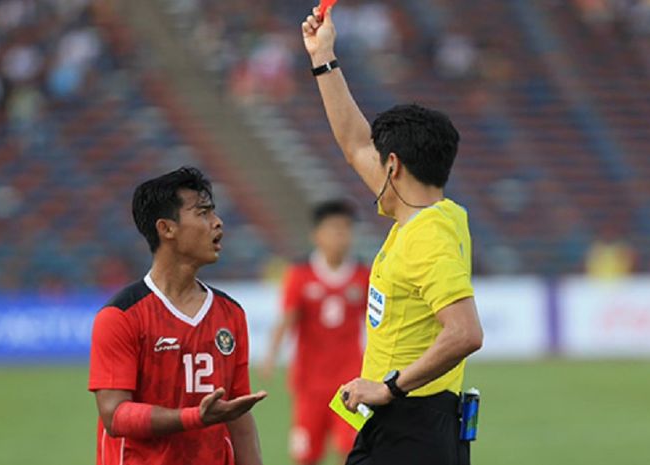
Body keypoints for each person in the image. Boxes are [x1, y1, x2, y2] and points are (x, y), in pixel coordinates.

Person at [301, 7, 484, 465]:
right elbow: (355, 143)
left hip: (411, 425)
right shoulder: (438, 215)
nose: (369, 163)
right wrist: (324, 57)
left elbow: (465, 332)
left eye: (380, 160)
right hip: (408, 423)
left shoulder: (426, 237)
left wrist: (388, 387)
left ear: (395, 166)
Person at [88, 167, 267, 465]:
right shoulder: (120, 316)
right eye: (203, 213)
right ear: (166, 228)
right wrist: (195, 417)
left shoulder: (231, 314)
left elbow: (239, 415)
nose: (217, 222)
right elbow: (115, 415)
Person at [261, 199, 370, 465]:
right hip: (309, 384)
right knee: (306, 455)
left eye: (346, 229)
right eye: (334, 229)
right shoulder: (300, 275)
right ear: (317, 235)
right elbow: (286, 319)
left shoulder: (363, 275)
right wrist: (271, 357)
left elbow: (376, 323)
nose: (341, 236)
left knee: (354, 449)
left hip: (351, 382)